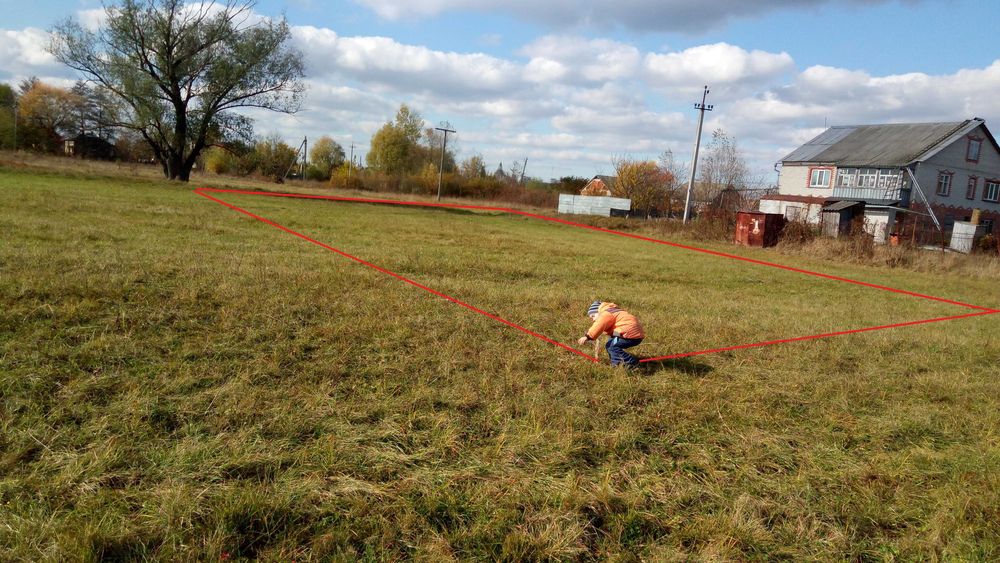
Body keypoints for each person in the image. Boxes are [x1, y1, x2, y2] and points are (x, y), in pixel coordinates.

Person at [577, 300, 645, 367]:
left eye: (593, 316)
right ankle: (616, 361)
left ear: (598, 312)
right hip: (633, 333)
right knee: (610, 343)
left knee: (612, 347)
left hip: (629, 334)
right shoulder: (614, 311)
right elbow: (618, 326)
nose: (593, 319)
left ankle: (629, 362)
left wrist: (588, 336)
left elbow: (599, 325)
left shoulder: (606, 314)